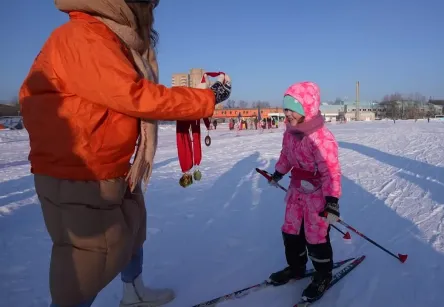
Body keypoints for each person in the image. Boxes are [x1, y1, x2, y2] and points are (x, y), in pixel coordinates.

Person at [18, 1, 231, 306]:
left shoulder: (107, 38)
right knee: (87, 261)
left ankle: (134, 292)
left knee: (132, 230)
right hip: (79, 173)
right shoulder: (83, 38)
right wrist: (206, 98)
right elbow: (135, 96)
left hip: (112, 166)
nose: (150, 14)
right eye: (145, 4)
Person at [267, 81, 341, 303]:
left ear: (306, 109)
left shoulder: (322, 138)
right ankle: (296, 268)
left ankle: (322, 275)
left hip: (317, 197)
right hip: (296, 192)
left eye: (292, 109)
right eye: (285, 109)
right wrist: (278, 173)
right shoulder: (289, 134)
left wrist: (332, 201)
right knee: (290, 232)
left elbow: (331, 172)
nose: (287, 114)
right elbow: (286, 157)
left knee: (315, 237)